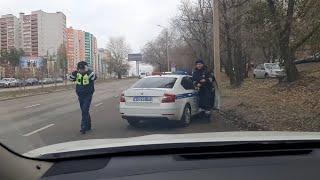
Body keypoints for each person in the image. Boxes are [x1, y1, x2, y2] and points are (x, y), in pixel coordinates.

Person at [69, 61, 97, 134]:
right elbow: (71, 79)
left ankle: (83, 127)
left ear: (86, 68)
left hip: (88, 94)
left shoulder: (90, 73)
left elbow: (95, 77)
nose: (81, 70)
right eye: (80, 69)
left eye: (83, 68)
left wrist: (88, 72)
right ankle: (88, 125)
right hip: (80, 94)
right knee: (84, 111)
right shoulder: (76, 73)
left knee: (85, 109)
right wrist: (73, 73)